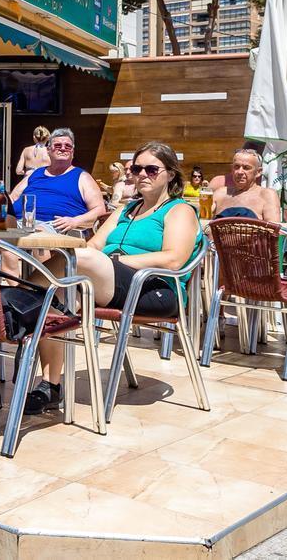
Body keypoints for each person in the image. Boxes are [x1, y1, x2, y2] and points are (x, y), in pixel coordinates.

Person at [25, 142, 201, 414]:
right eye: (137, 168)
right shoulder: (125, 210)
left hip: (154, 289)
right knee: (55, 298)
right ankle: (51, 386)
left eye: (152, 169)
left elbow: (173, 258)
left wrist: (114, 262)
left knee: (77, 261)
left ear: (171, 175)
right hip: (110, 281)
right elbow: (93, 245)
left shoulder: (179, 210)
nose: (142, 174)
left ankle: (18, 301)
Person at [9, 128, 105, 233]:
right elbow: (11, 199)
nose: (63, 148)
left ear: (72, 152)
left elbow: (99, 210)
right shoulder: (35, 174)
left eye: (68, 146)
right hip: (19, 223)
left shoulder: (82, 177)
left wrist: (75, 221)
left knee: (36, 234)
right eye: (58, 145)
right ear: (48, 150)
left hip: (53, 226)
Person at [212, 149, 281, 222]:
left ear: (258, 172)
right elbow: (203, 221)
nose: (240, 172)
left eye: (246, 168)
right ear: (232, 169)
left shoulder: (266, 195)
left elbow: (274, 228)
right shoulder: (221, 193)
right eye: (236, 167)